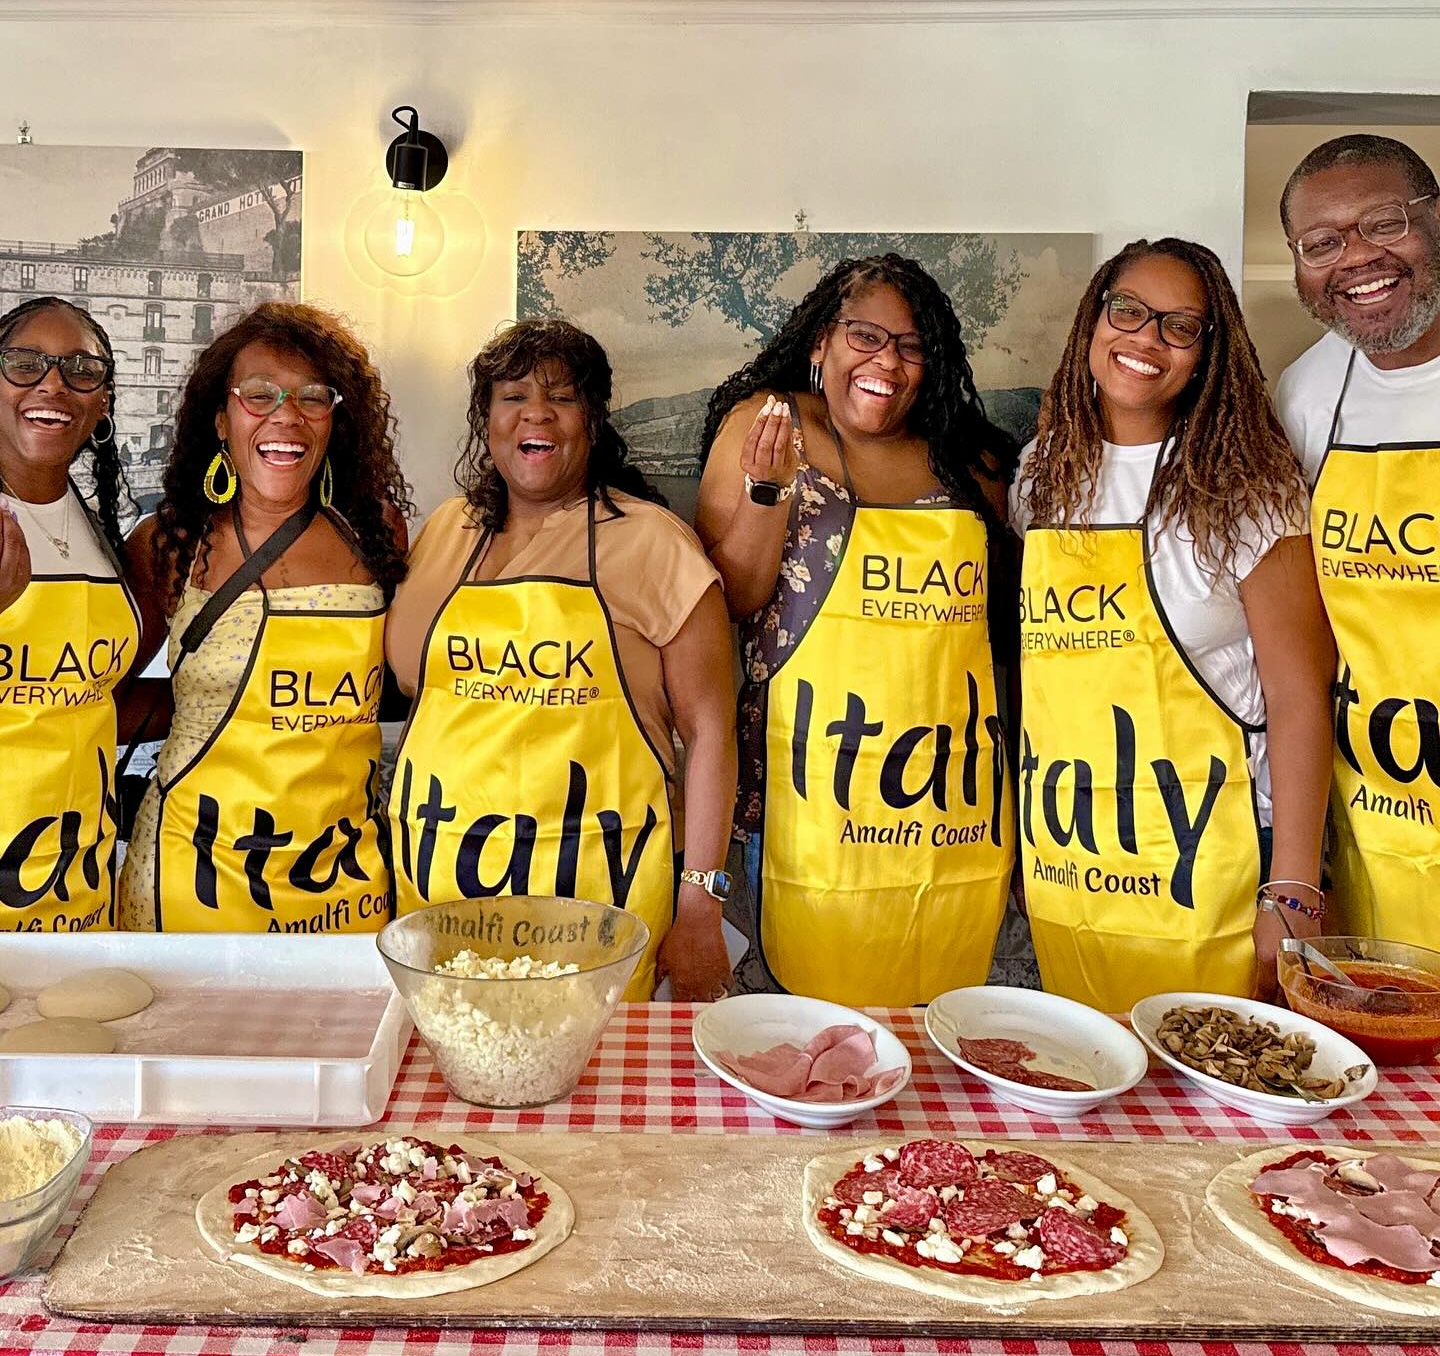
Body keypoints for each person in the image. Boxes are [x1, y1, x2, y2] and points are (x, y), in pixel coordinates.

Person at [1012, 238, 1334, 1012]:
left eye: (1179, 326)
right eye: (1128, 311)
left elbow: (1299, 694)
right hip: (1070, 861)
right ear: (1094, 319)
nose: (1146, 339)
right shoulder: (1041, 476)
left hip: (1219, 864)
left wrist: (1293, 889)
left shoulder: (1247, 488)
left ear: (1207, 351)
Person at [695, 254, 1017, 1008]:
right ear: (822, 341)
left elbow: (1005, 630)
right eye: (866, 336)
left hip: (950, 806)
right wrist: (767, 491)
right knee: (801, 1035)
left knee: (937, 1027)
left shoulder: (971, 461)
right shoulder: (768, 424)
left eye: (911, 346)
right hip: (800, 805)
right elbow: (731, 602)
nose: (887, 362)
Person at [385, 319, 736, 1002]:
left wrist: (700, 903)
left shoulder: (653, 542)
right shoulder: (444, 532)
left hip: (600, 901)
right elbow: (407, 680)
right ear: (487, 421)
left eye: (562, 397)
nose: (536, 413)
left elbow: (711, 731)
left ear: (593, 422)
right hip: (440, 889)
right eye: (514, 396)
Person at [118, 302, 411, 932]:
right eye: (258, 395)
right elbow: (102, 694)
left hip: (341, 880)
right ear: (221, 421)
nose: (286, 415)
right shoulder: (169, 542)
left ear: (336, 419)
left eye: (312, 396)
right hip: (191, 872)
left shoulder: (376, 532)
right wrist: (203, 704)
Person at [1275, 135, 1440, 951]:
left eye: (1384, 222)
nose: (1357, 258)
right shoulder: (1305, 394)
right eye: (1322, 243)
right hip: (1374, 822)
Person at [0, 296, 139, 932]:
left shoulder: (98, 529)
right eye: (25, 363)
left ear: (102, 403)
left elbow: (100, 699)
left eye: (82, 370)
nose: (53, 383)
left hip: (81, 886)